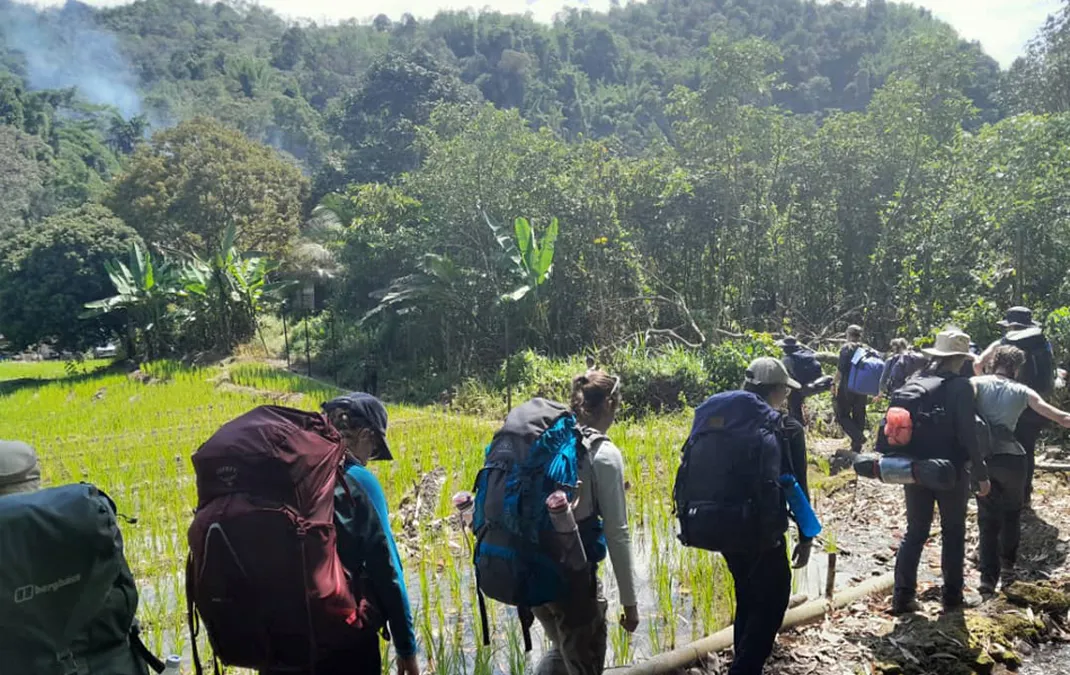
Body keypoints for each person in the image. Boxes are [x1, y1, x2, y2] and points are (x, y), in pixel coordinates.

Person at [532, 369, 639, 675]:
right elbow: (617, 534)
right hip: (573, 586)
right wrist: (630, 604)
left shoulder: (553, 440)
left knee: (562, 651)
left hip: (533, 576)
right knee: (584, 661)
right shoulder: (603, 454)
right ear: (610, 403)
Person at [318, 393, 420, 675]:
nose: (370, 458)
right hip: (342, 637)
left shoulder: (297, 472)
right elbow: (388, 570)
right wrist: (406, 649)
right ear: (366, 435)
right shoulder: (357, 479)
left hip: (283, 637)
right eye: (374, 449)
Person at [892, 329, 990, 615]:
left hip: (915, 468)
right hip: (951, 470)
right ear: (960, 358)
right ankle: (952, 596)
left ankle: (903, 597)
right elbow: (968, 432)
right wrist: (980, 472)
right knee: (953, 531)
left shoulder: (916, 380)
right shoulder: (961, 386)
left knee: (915, 531)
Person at [972, 346, 1070, 595]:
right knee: (1012, 514)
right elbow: (1061, 417)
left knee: (987, 518)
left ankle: (987, 579)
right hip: (1013, 461)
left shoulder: (975, 384)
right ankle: (1007, 568)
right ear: (1017, 368)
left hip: (983, 460)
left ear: (994, 362)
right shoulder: (1024, 391)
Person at [975, 306, 1057, 503]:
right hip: (1034, 404)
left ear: (1009, 325)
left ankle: (993, 492)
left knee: (997, 446)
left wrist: (989, 384)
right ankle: (1024, 494)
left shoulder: (1002, 343)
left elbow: (977, 364)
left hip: (1007, 404)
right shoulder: (1043, 344)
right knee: (1027, 449)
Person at [778, 336, 833, 425]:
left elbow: (785, 377)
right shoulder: (808, 353)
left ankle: (797, 424)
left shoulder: (786, 359)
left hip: (803, 387)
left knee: (793, 402)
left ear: (786, 348)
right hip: (818, 383)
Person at [834, 325, 870, 453]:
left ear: (848, 334)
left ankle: (858, 438)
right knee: (859, 415)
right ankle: (856, 447)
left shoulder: (846, 348)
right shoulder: (866, 349)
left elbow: (840, 370)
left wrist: (833, 383)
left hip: (847, 387)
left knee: (842, 415)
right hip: (862, 388)